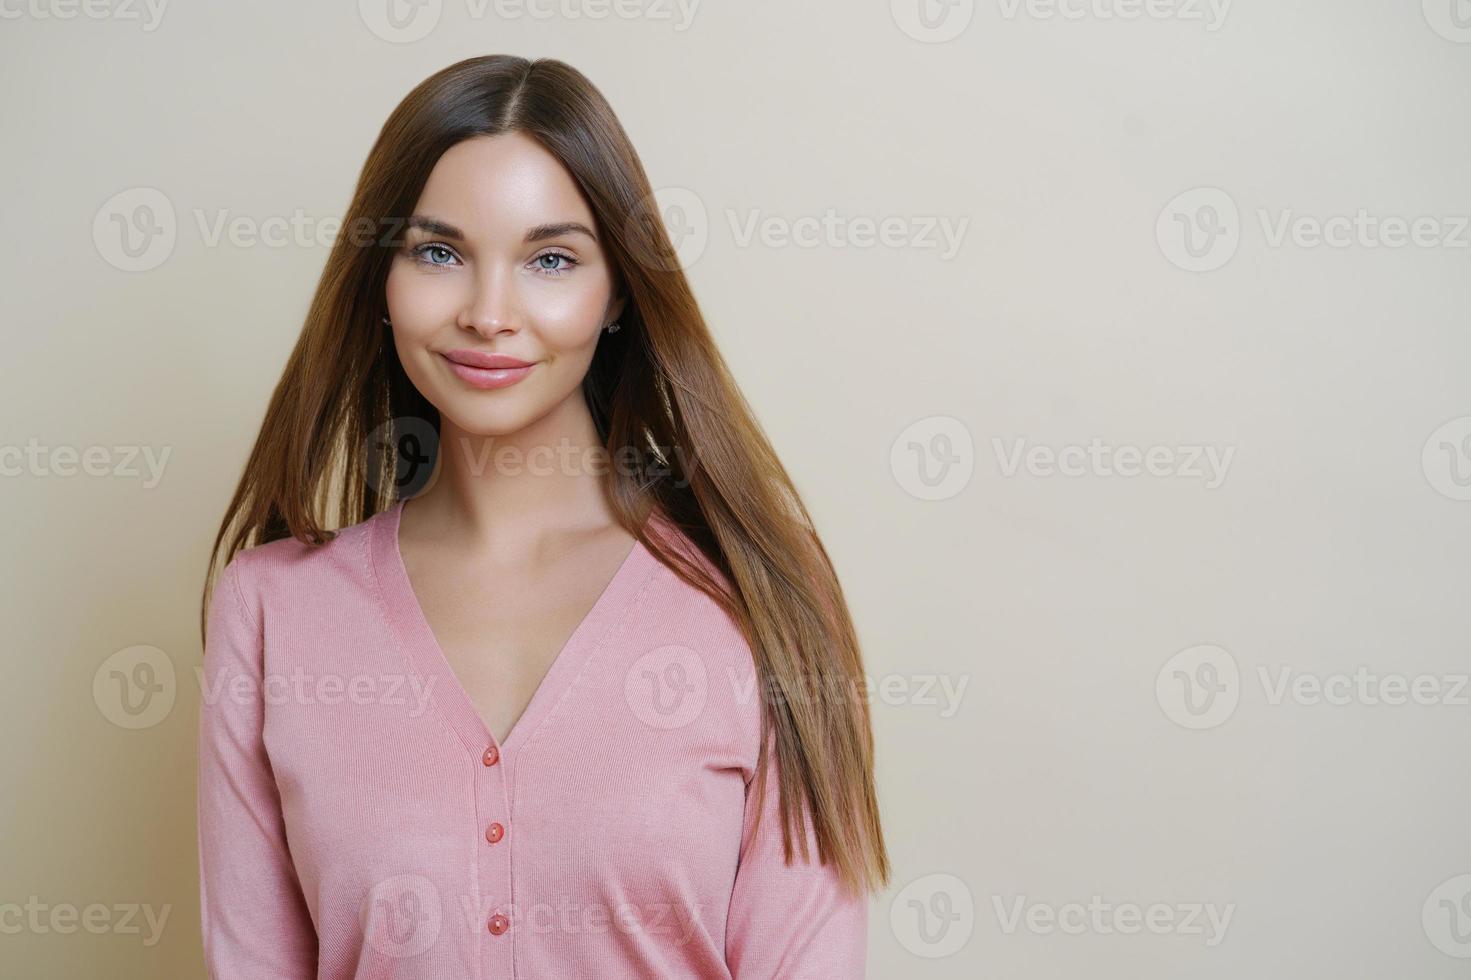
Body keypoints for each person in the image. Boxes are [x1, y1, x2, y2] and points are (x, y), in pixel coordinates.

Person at [196, 54, 889, 979]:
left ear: (616, 298)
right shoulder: (271, 610)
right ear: (382, 283)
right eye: (438, 252)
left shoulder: (757, 587)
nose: (488, 313)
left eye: (551, 259)